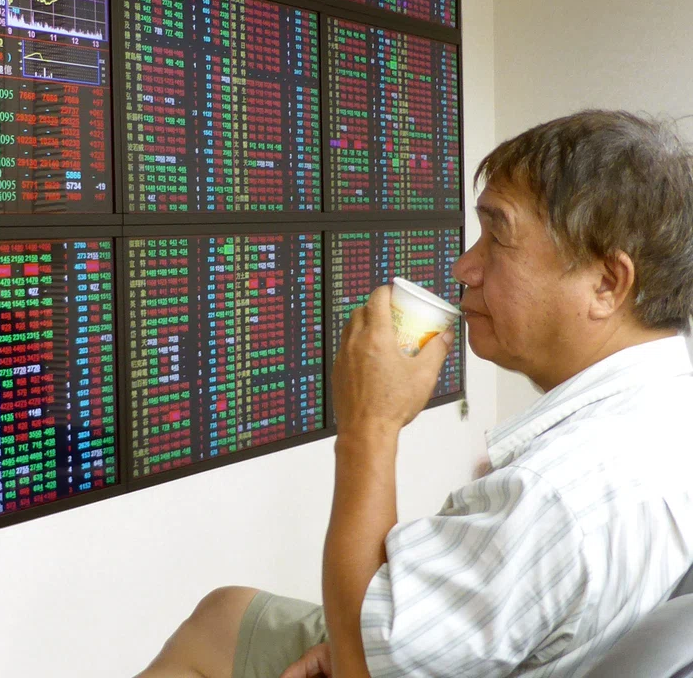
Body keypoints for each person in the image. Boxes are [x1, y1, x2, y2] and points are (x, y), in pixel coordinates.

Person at [135, 110, 693, 678]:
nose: (464, 267)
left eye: (498, 238)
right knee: (226, 617)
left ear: (606, 283)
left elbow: (360, 668)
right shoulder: (672, 407)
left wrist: (367, 426)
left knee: (218, 626)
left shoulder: (551, 495)